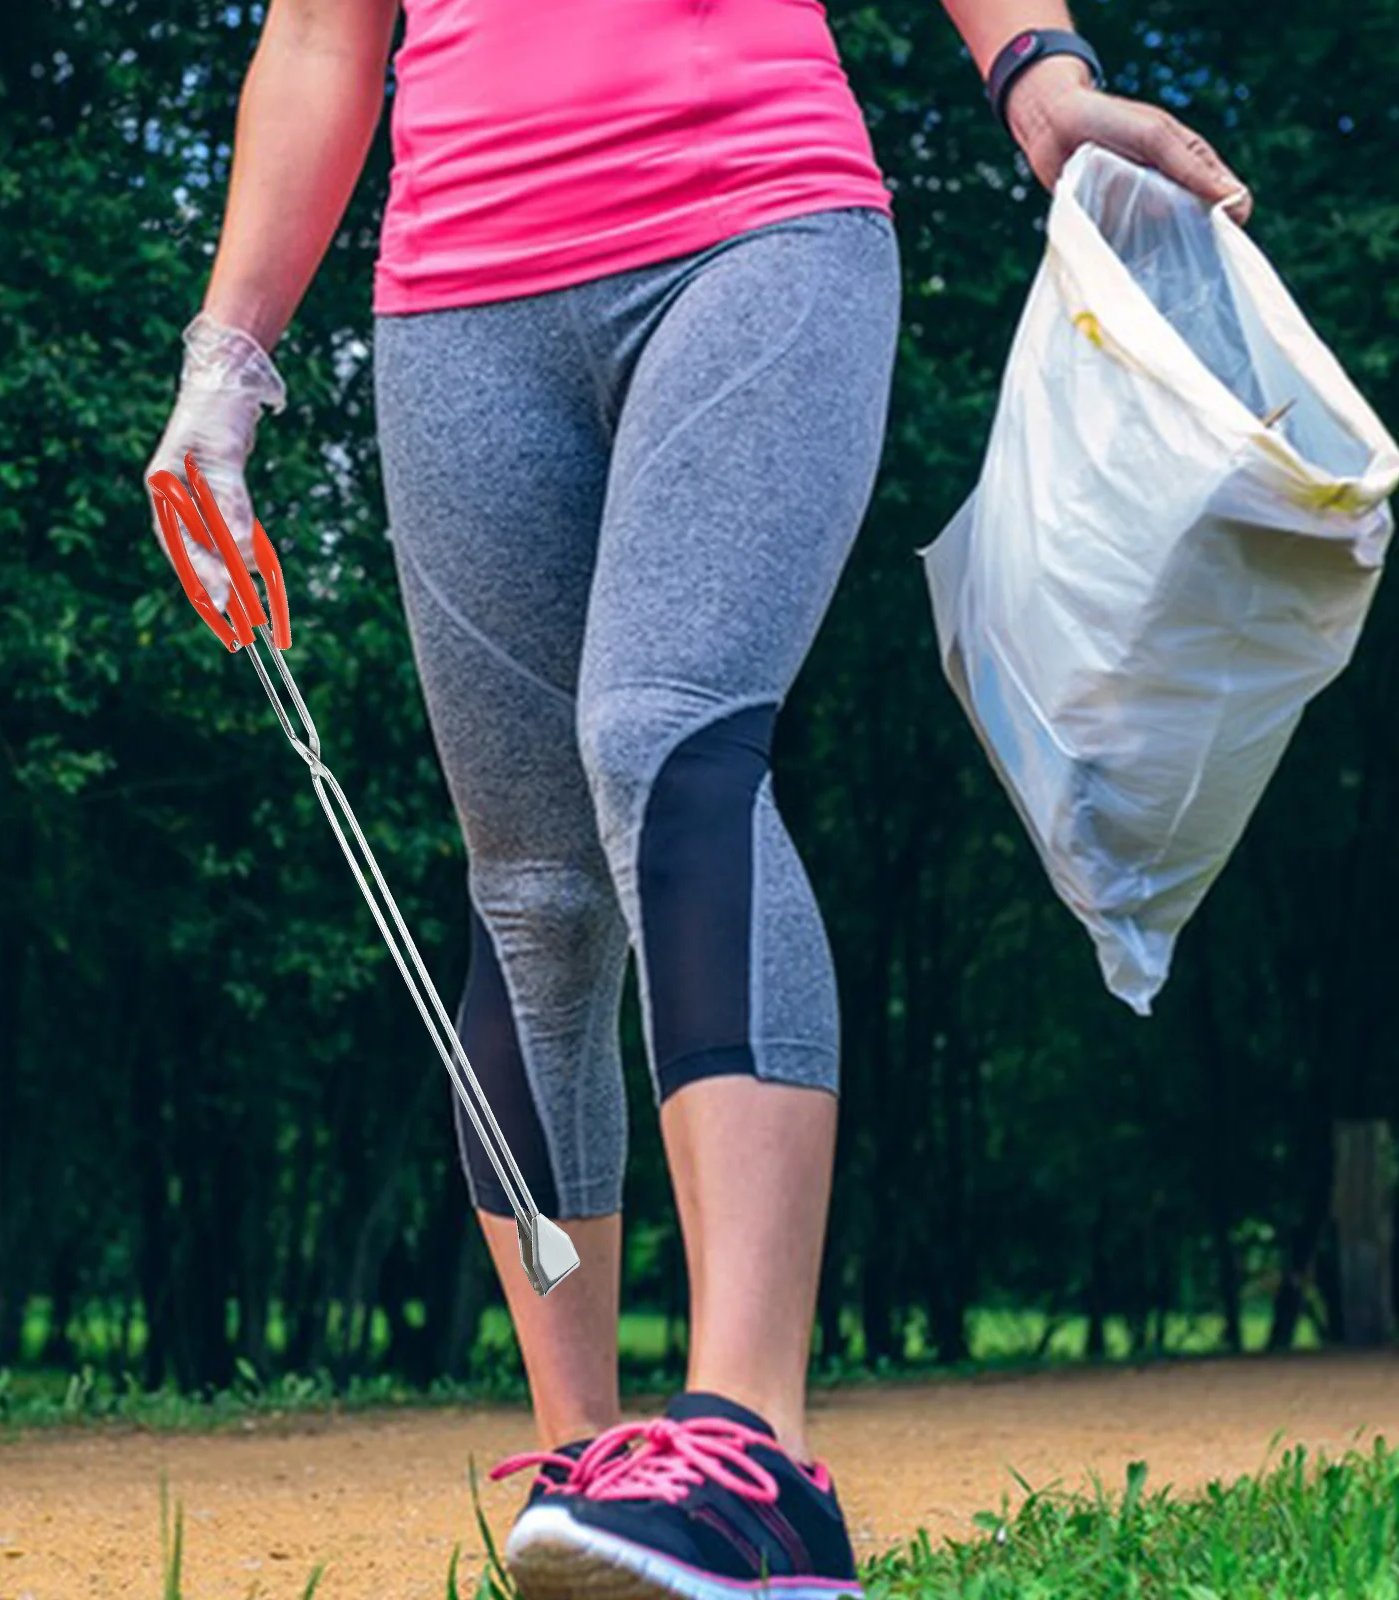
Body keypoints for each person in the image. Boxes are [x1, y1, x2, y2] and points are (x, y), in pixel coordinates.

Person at [145, 3, 1250, 1594]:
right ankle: (586, 1486)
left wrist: (1038, 72)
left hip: (755, 221)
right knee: (525, 884)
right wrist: (224, 366)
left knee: (660, 739)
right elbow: (324, 32)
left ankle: (752, 1452)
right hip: (458, 304)